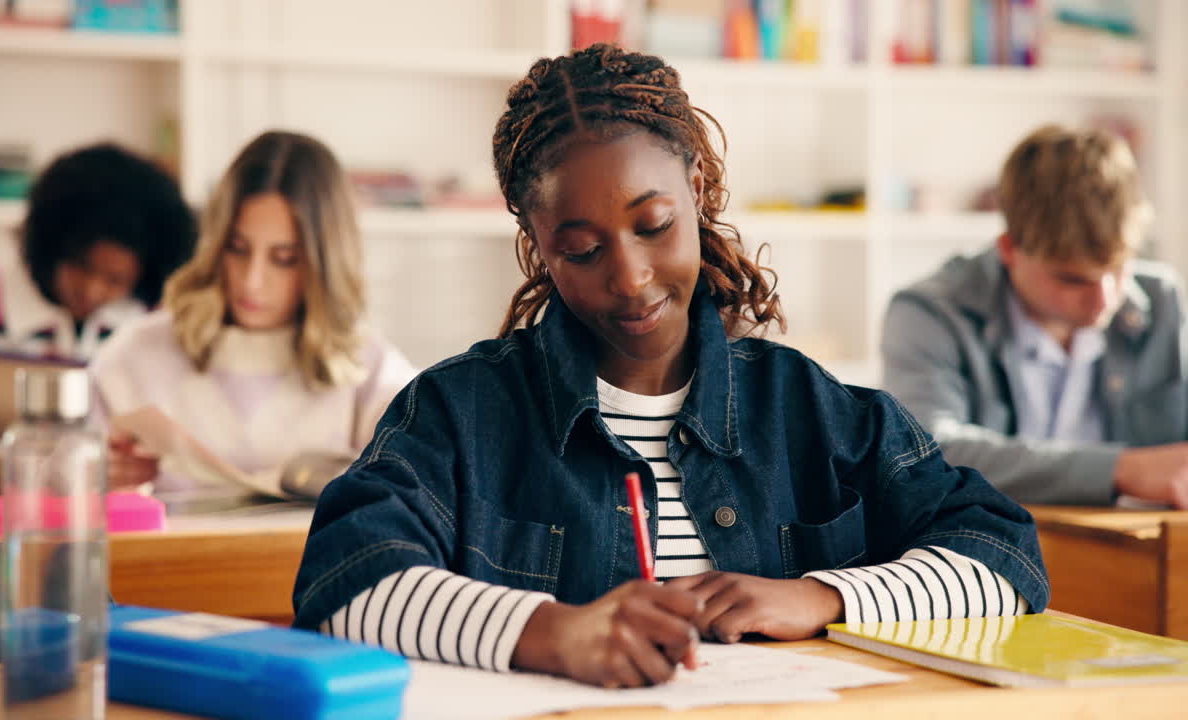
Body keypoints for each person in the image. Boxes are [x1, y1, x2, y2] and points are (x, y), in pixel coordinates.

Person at [292, 45, 1048, 689]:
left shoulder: (810, 411)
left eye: (654, 226)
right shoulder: (461, 414)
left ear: (697, 190)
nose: (630, 278)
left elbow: (1005, 557)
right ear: (535, 242)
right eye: (581, 250)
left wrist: (821, 595)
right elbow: (342, 586)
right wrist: (554, 633)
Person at [89, 130, 416, 499]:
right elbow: (54, 495)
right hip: (170, 557)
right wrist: (91, 475)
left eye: (284, 259)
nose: (252, 281)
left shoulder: (371, 368)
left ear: (324, 264)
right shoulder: (133, 355)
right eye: (238, 249)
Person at [881, 125, 1188, 509]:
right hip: (988, 554)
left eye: (1118, 269)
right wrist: (1123, 469)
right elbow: (926, 453)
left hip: (1139, 551)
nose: (1105, 298)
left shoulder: (1160, 299)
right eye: (1073, 279)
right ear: (1010, 250)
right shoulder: (930, 312)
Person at [0, 143, 196, 445]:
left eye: (115, 279)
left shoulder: (150, 319)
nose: (91, 290)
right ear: (51, 247)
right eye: (80, 266)